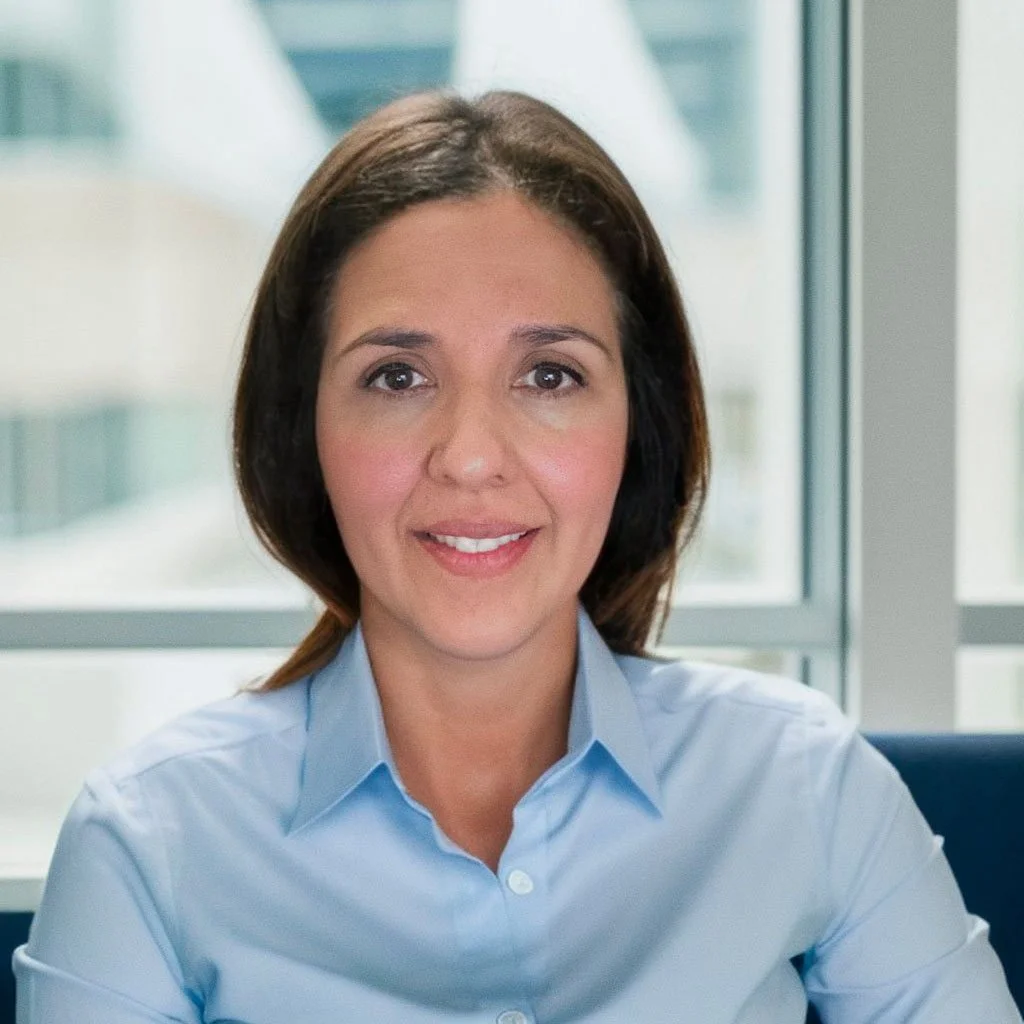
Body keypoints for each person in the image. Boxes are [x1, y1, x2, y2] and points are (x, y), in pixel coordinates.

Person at [13, 90, 1021, 1023]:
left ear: (640, 423)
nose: (472, 455)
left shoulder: (801, 783)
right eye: (397, 375)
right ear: (301, 427)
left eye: (549, 373)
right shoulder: (150, 839)